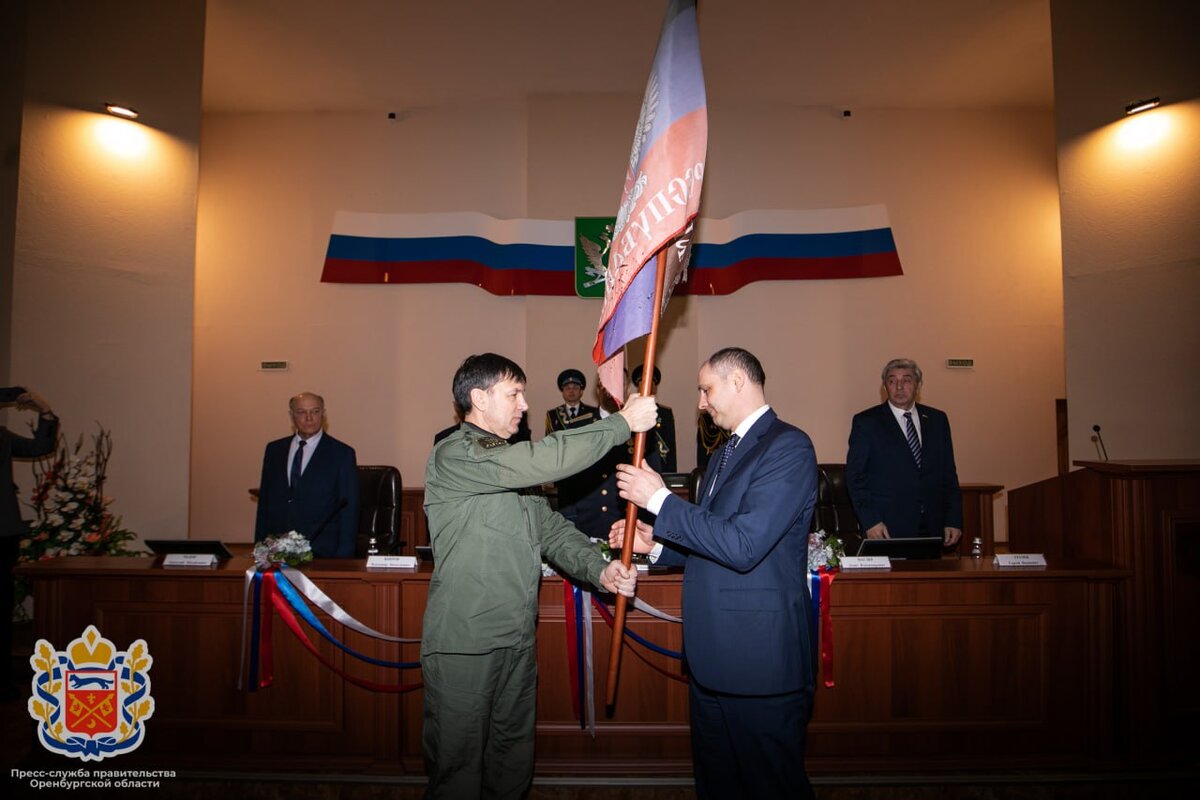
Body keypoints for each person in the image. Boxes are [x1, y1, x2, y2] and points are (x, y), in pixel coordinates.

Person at [421, 353, 654, 799]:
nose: (524, 404)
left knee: (512, 761)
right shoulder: (455, 453)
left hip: (517, 638)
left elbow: (553, 532)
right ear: (479, 398)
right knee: (457, 768)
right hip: (465, 642)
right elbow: (545, 459)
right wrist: (621, 423)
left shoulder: (512, 465)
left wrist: (599, 568)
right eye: (513, 394)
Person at [612, 347, 819, 800]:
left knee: (771, 786)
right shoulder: (726, 453)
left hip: (758, 663)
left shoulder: (788, 446)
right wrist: (659, 543)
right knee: (718, 785)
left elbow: (745, 546)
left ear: (738, 382)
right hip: (712, 660)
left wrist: (662, 501)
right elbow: (715, 543)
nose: (701, 402)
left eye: (706, 389)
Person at [845, 358, 963, 547]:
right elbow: (855, 477)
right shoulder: (867, 422)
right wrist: (871, 520)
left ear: (918, 385)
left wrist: (954, 519)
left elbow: (948, 473)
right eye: (892, 381)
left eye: (906, 380)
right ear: (885, 387)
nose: (899, 386)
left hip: (933, 525)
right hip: (886, 528)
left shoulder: (937, 420)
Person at [560, 370, 674, 539]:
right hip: (587, 526)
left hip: (628, 528)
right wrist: (569, 522)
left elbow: (652, 474)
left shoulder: (641, 428)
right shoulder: (580, 426)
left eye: (617, 384)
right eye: (604, 384)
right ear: (597, 389)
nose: (610, 390)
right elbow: (566, 480)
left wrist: (649, 524)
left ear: (626, 388)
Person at [1, 386, 58, 700]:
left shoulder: (2, 437)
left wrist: (44, 410)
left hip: (2, 533)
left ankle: (3, 682)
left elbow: (41, 447)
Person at [254, 392, 359, 558]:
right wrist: (260, 547)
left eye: (315, 411)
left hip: (323, 551)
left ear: (323, 414)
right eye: (302, 412)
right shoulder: (274, 450)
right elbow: (265, 503)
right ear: (292, 415)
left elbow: (349, 510)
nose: (309, 418)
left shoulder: (342, 454)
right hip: (277, 550)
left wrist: (344, 556)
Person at [630, 364, 677, 473]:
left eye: (650, 382)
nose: (646, 386)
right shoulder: (631, 411)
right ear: (638, 387)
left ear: (655, 387)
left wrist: (671, 474)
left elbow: (670, 447)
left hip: (660, 467)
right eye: (643, 383)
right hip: (636, 466)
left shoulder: (665, 413)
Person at [544, 368, 597, 434]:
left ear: (581, 392)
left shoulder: (593, 412)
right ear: (562, 392)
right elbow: (549, 441)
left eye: (575, 388)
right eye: (567, 388)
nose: (571, 391)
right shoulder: (552, 415)